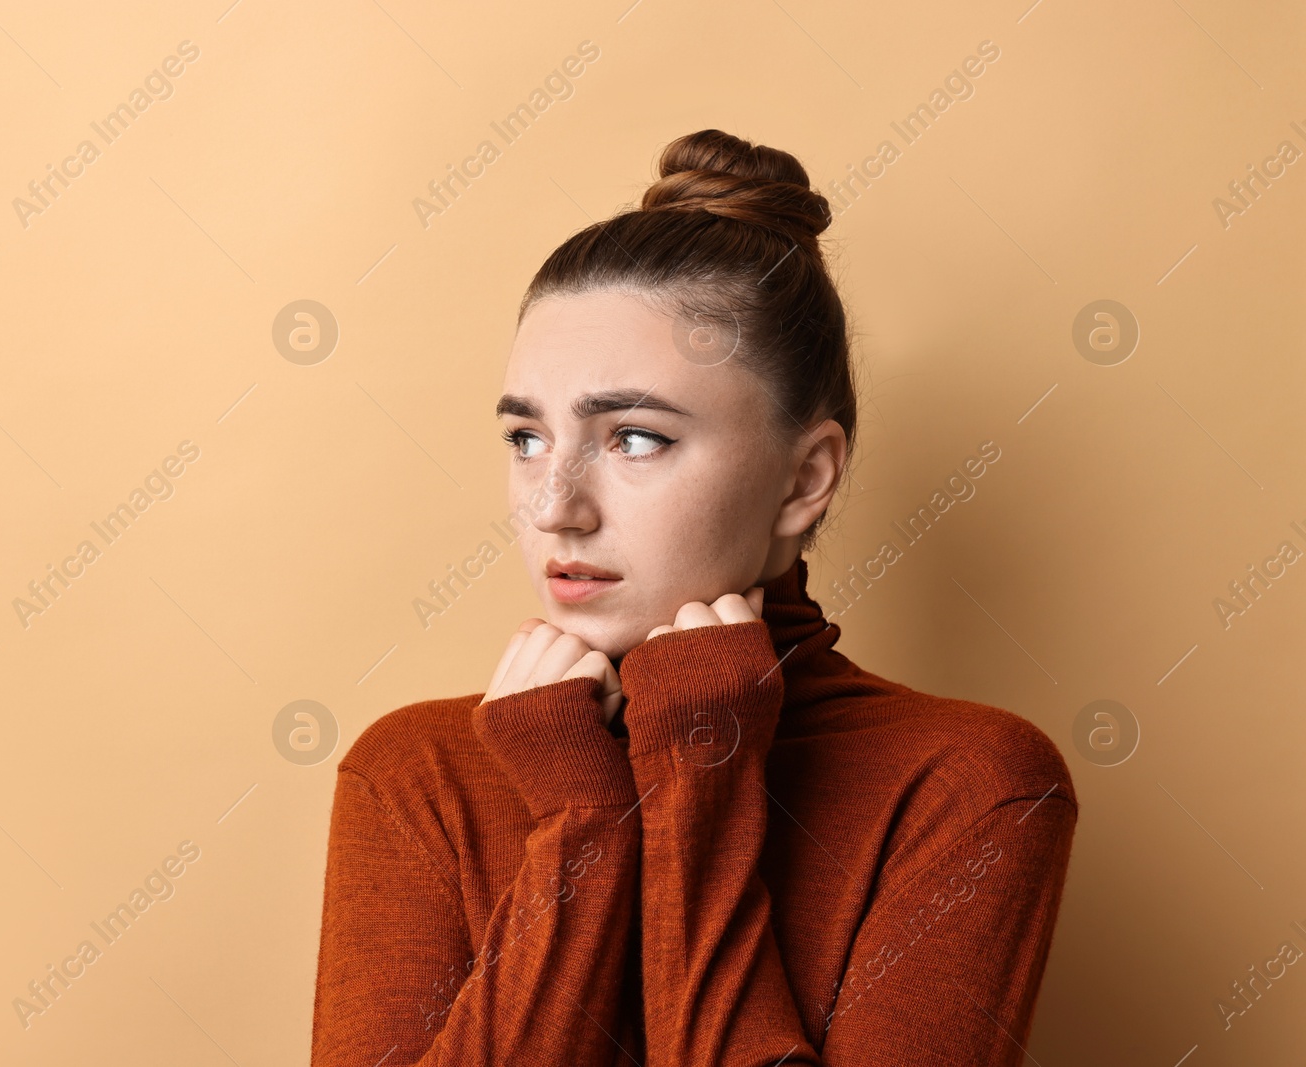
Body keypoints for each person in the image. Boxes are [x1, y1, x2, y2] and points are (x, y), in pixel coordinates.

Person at [310, 128, 1077, 1065]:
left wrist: (699, 782)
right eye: (526, 438)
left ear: (806, 479)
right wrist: (579, 824)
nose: (555, 507)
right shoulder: (417, 775)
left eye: (635, 437)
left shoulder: (969, 788)